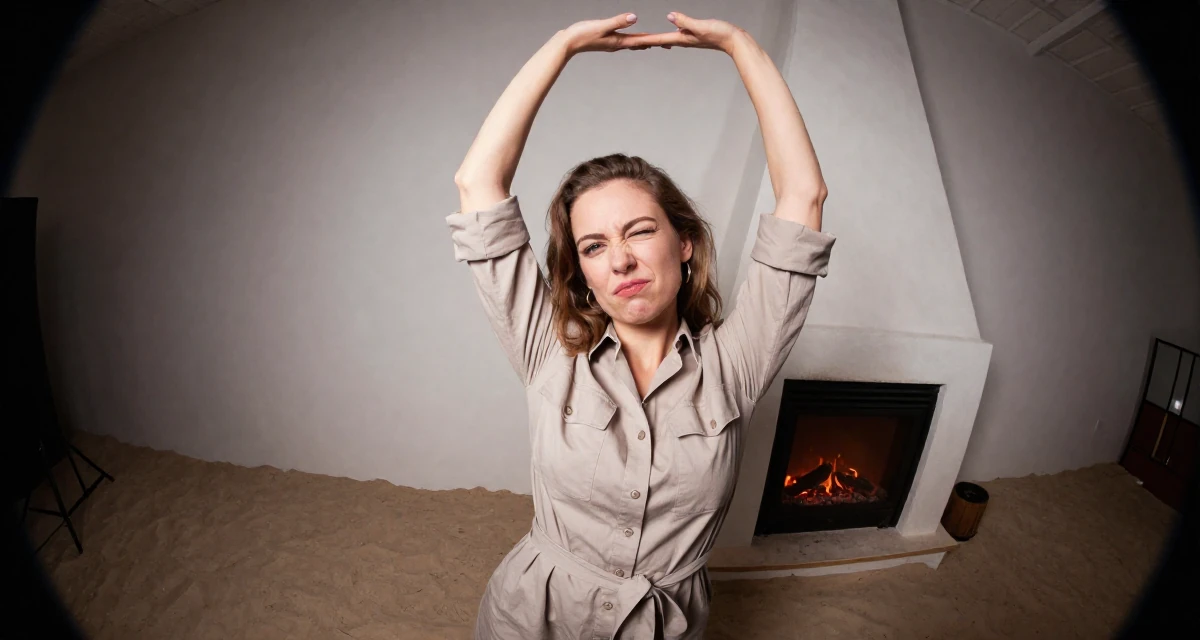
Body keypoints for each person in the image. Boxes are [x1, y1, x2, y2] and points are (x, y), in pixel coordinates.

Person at [447, 11, 835, 640]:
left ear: (684, 243)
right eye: (594, 246)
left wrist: (742, 47)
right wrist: (563, 44)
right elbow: (478, 183)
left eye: (640, 231)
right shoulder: (550, 350)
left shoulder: (734, 366)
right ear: (582, 270)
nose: (620, 258)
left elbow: (804, 199)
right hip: (533, 618)